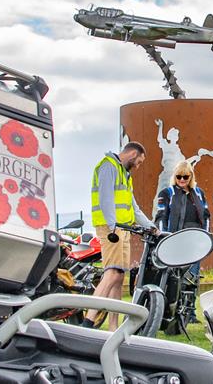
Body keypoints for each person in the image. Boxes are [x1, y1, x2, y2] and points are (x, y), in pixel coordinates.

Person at [85, 142, 158, 331]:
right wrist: (112, 228)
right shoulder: (108, 166)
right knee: (112, 272)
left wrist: (153, 228)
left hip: (123, 229)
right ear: (133, 153)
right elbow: (105, 198)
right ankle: (88, 321)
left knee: (119, 277)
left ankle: (113, 327)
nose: (139, 165)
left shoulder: (125, 175)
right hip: (112, 229)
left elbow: (134, 208)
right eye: (139, 161)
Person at [154, 160, 209, 324]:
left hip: (195, 240)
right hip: (175, 239)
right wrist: (165, 237)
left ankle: (189, 313)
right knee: (173, 276)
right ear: (175, 176)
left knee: (192, 276)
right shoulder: (167, 193)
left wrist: (205, 238)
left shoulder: (199, 193)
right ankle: (170, 311)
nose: (182, 180)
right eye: (179, 176)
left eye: (185, 176)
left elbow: (206, 216)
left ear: (191, 176)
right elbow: (161, 216)